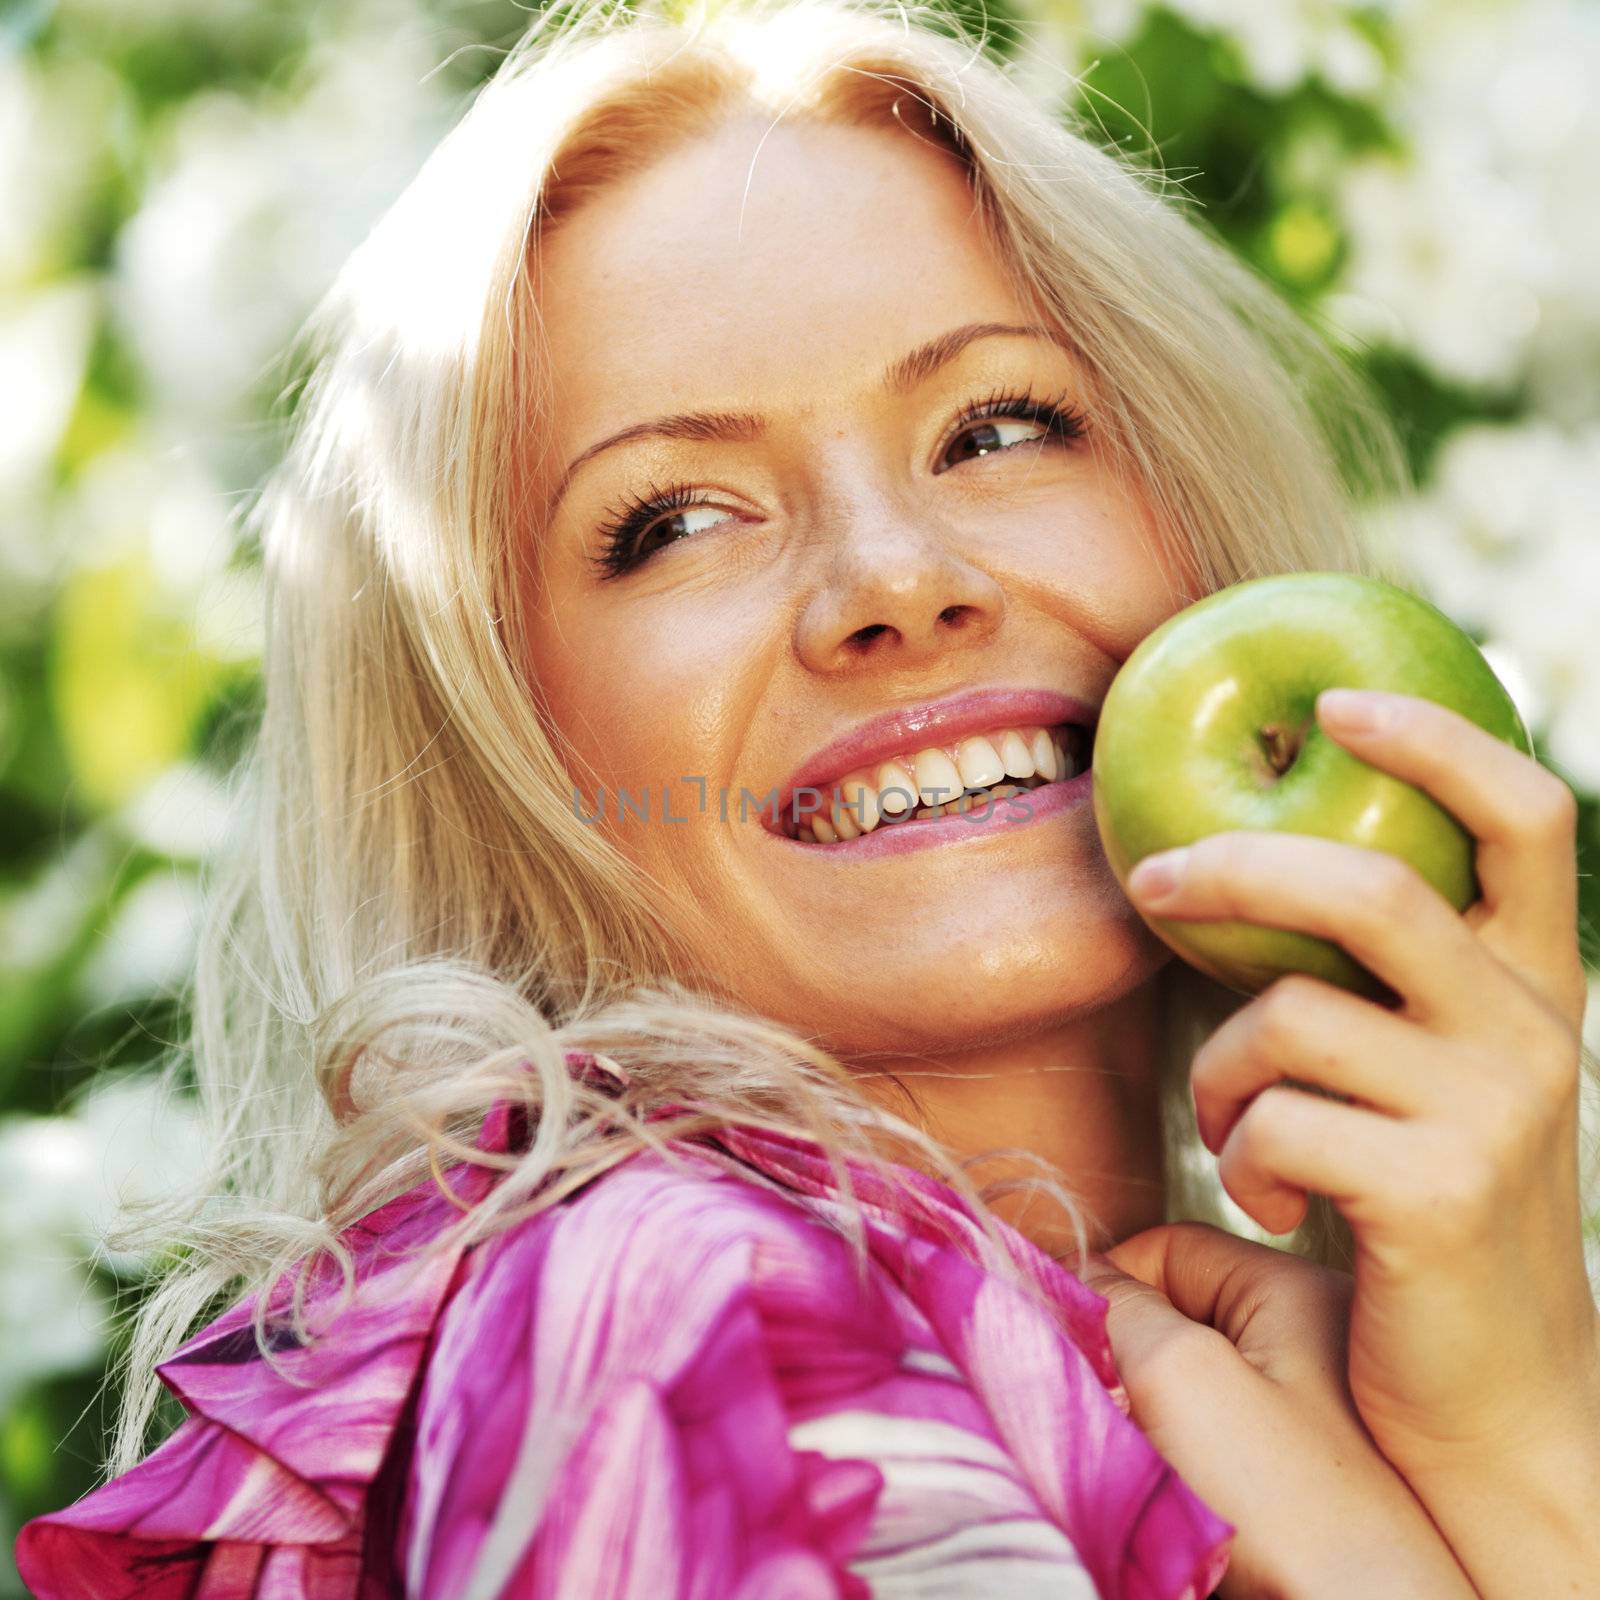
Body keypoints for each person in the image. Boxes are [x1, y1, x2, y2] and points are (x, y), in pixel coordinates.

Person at [15, 0, 1600, 1594]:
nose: (896, 581)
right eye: (676, 520)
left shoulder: (1317, 1395)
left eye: (997, 426)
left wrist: (1519, 1441)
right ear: (503, 748)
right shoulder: (690, 1328)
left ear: (1191, 513)